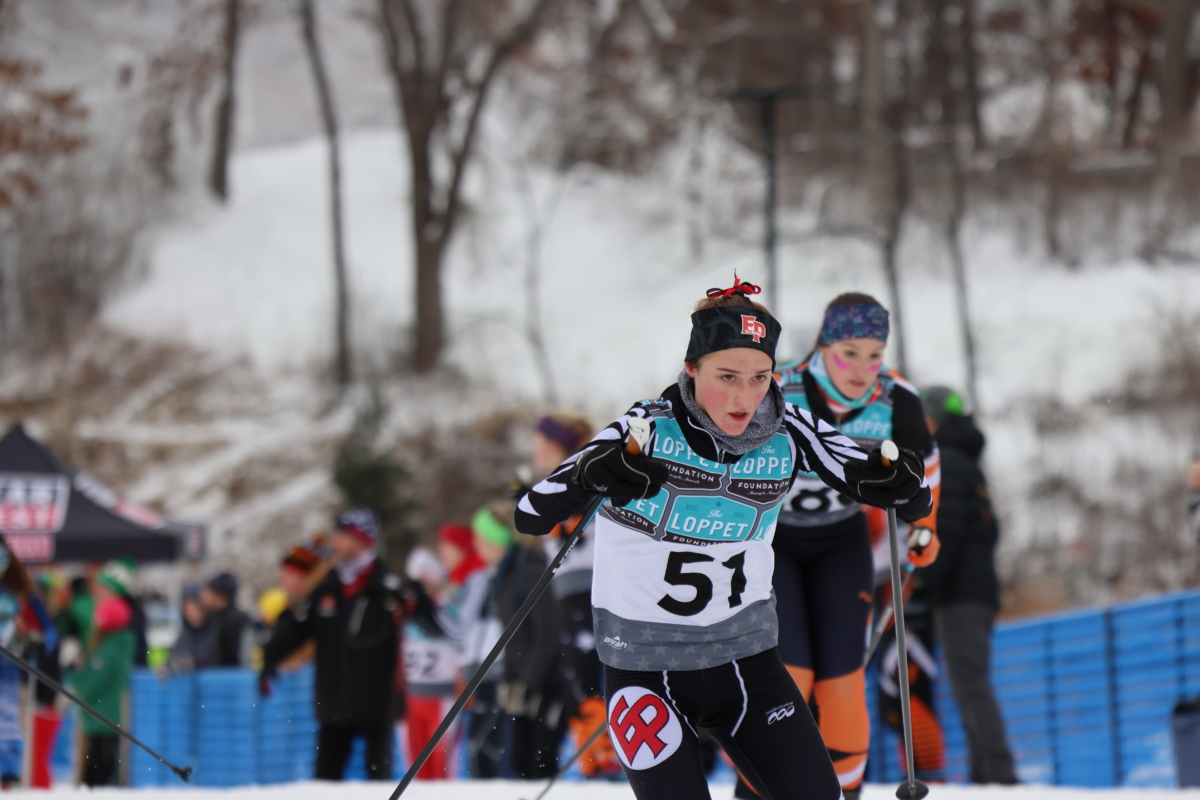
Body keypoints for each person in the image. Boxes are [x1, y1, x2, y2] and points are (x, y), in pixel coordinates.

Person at [515, 277, 931, 800]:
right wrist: (590, 476)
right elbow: (531, 512)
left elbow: (870, 471)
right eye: (727, 376)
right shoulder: (645, 428)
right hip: (645, 669)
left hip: (746, 664)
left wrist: (902, 486)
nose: (744, 397)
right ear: (691, 368)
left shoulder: (789, 426)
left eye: (760, 378)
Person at [735, 292, 942, 799]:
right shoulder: (778, 387)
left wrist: (926, 528)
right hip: (774, 543)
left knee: (843, 682)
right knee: (791, 676)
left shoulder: (897, 399)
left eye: (875, 354)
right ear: (825, 344)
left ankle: (843, 794)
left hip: (841, 540)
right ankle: (761, 789)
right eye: (850, 352)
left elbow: (927, 472)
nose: (863, 368)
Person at [261, 508, 431, 781]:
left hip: (378, 705)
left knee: (379, 784)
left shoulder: (386, 587)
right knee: (326, 782)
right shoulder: (327, 586)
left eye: (342, 536)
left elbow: (425, 617)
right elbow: (297, 629)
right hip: (334, 705)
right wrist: (269, 659)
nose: (335, 543)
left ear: (361, 541)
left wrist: (421, 597)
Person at [914, 386, 1018, 784]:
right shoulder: (966, 461)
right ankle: (986, 772)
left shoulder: (947, 463)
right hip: (974, 590)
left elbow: (948, 534)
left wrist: (923, 579)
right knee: (969, 682)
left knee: (969, 683)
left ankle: (998, 772)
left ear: (933, 420)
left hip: (961, 594)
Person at [526, 413, 619, 778]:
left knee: (589, 668)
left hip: (589, 584)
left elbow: (594, 516)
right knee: (577, 673)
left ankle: (606, 755)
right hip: (567, 589)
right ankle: (593, 755)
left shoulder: (580, 475)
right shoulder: (551, 482)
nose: (535, 452)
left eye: (540, 445)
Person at [477, 504, 565, 779]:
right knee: (520, 763)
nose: (476, 546)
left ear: (496, 540)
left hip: (542, 684)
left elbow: (548, 633)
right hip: (521, 682)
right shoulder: (506, 574)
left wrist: (528, 682)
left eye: (481, 539)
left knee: (538, 763)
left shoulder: (529, 571)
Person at [432, 522, 500, 778]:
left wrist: (427, 609)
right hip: (478, 671)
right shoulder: (462, 579)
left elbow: (458, 627)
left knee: (484, 748)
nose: (441, 554)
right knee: (479, 749)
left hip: (489, 672)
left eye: (446, 547)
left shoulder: (477, 577)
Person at [401, 546, 458, 780]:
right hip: (412, 696)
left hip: (441, 694)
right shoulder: (407, 609)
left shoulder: (448, 603)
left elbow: (457, 637)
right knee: (416, 765)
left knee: (441, 765)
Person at [72, 589, 136, 786]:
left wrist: (74, 673)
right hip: (108, 718)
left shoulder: (107, 652)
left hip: (100, 718)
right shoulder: (118, 645)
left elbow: (89, 687)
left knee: (95, 776)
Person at [200, 572, 252, 667]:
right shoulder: (216, 619)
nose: (203, 598)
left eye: (208, 594)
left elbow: (242, 660)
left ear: (222, 597)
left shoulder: (236, 622)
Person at [165, 585, 211, 673]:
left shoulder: (215, 632)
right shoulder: (184, 636)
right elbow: (174, 658)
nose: (193, 614)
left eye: (196, 608)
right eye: (188, 609)